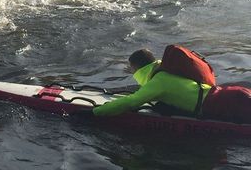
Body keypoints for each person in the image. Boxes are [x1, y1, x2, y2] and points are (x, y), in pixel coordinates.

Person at [90, 49, 251, 124]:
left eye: (131, 69)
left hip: (228, 104)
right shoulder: (166, 72)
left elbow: (131, 102)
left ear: (138, 69)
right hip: (231, 96)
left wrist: (94, 113)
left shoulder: (159, 81)